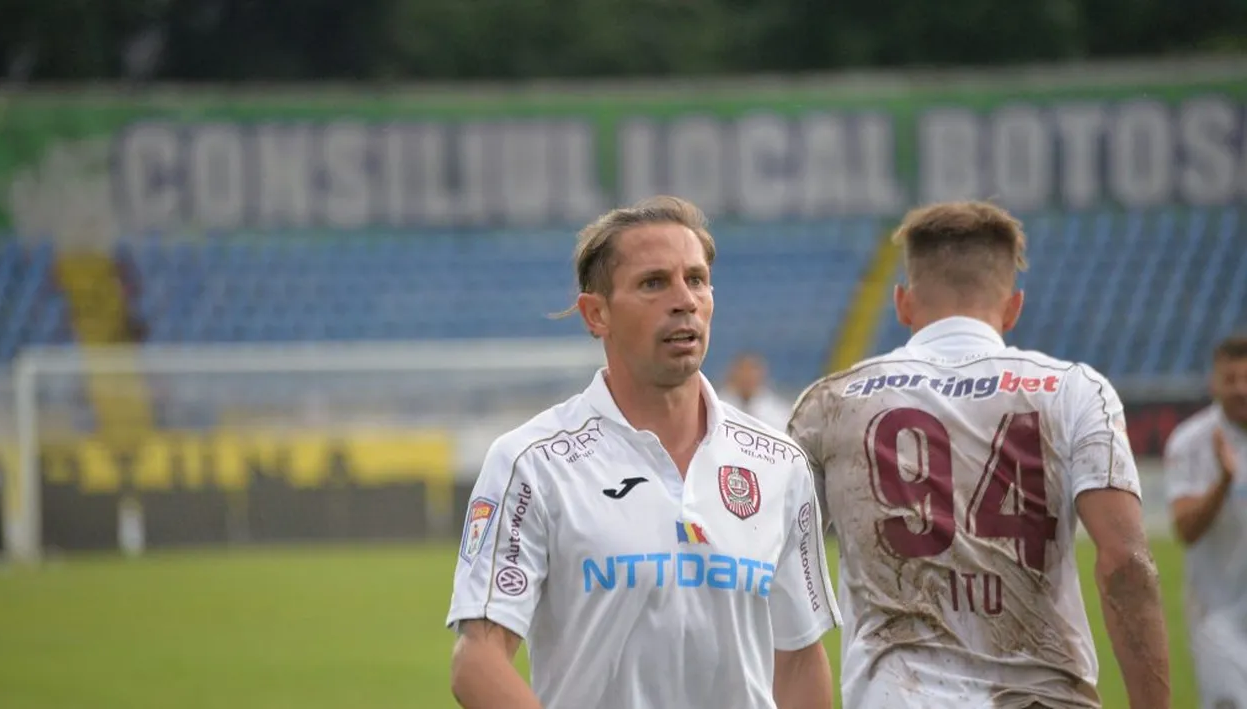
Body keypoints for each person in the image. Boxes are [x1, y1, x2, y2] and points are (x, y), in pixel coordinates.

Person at [446, 195, 841, 709]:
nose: (684, 300)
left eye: (696, 280)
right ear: (597, 314)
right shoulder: (533, 463)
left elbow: (799, 657)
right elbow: (478, 659)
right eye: (654, 283)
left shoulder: (778, 463)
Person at [787, 201, 1170, 709]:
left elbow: (777, 573)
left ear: (902, 303)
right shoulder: (1076, 391)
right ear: (1014, 307)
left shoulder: (829, 402)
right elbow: (1125, 563)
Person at [1164, 333, 1247, 709]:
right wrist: (1224, 483)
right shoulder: (1191, 442)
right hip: (1218, 620)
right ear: (1214, 382)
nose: (1241, 389)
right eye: (1231, 380)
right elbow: (1185, 529)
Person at [720, 352, 794, 431]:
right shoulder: (717, 406)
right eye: (742, 370)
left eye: (752, 371)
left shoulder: (779, 413)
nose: (746, 376)